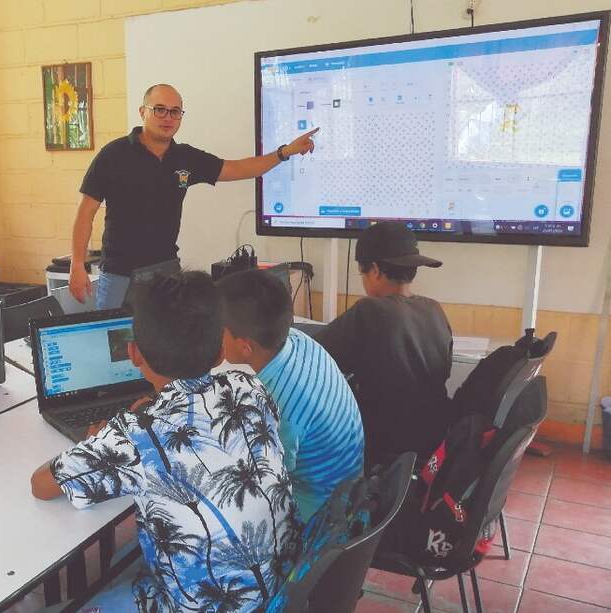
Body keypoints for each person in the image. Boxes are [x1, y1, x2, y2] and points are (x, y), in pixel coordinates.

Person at [31, 271, 301, 612]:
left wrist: (101, 442)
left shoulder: (135, 435)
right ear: (220, 351)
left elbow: (41, 485)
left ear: (134, 354)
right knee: (124, 557)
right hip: (285, 586)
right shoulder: (249, 387)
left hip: (203, 606)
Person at [69, 83, 319, 309]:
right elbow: (85, 212)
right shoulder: (113, 155)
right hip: (119, 275)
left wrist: (284, 152)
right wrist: (77, 264)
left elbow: (239, 168)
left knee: (170, 340)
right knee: (115, 343)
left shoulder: (185, 157)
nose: (168, 118)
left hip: (166, 272)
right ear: (143, 112)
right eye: (160, 110)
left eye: (175, 112)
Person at [218, 269, 364, 522]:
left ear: (245, 346)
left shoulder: (278, 409)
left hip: (321, 516)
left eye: (218, 329)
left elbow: (263, 482)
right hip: (349, 485)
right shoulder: (299, 340)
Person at [314, 221, 453, 467]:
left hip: (382, 447)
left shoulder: (370, 311)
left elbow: (314, 356)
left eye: (362, 273)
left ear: (375, 271)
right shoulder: (434, 309)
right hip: (432, 441)